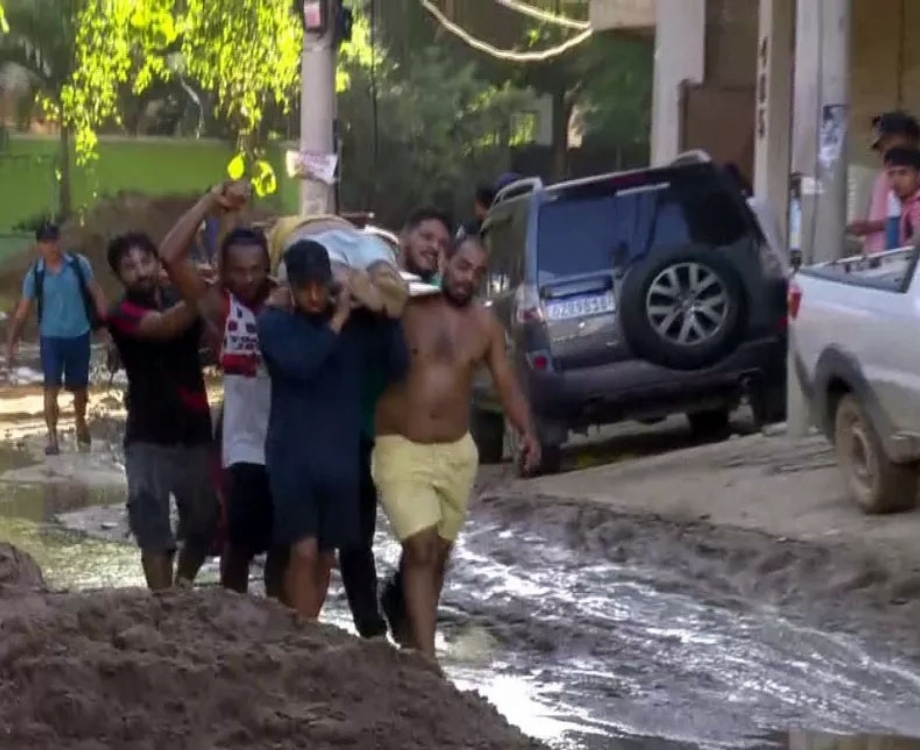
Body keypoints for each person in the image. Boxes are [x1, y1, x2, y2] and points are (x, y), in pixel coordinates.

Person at [373, 233, 540, 664]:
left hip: (456, 454)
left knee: (438, 558)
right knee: (422, 548)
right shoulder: (406, 306)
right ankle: (427, 663)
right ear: (445, 260)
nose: (469, 278)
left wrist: (528, 432)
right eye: (463, 267)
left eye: (478, 273)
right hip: (400, 447)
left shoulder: (485, 325)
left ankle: (407, 618)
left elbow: (506, 384)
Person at [257, 240, 408, 622]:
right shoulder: (274, 323)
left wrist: (381, 310)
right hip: (292, 457)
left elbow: (398, 365)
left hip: (340, 458)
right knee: (303, 550)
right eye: (303, 286)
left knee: (326, 555)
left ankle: (306, 624)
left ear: (331, 281)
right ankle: (302, 632)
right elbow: (302, 363)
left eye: (319, 285)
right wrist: (338, 319)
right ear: (288, 285)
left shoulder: (359, 327)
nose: (313, 295)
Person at [157, 181, 289, 600]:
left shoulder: (289, 301)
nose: (248, 278)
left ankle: (279, 622)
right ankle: (232, 618)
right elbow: (170, 255)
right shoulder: (220, 309)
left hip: (291, 442)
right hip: (242, 445)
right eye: (238, 270)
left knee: (285, 546)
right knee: (239, 544)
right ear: (224, 271)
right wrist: (210, 204)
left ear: (268, 265)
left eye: (256, 269)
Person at [105, 232, 218, 590]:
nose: (140, 272)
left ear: (157, 263)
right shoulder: (122, 313)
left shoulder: (177, 296)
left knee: (204, 522)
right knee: (151, 522)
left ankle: (183, 587)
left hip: (194, 431)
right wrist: (199, 294)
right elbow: (165, 326)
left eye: (145, 261)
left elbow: (209, 328)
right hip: (146, 437)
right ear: (119, 277)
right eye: (129, 267)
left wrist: (198, 291)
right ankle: (162, 603)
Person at [4, 222, 108, 455]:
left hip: (79, 335)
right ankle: (52, 437)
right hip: (51, 338)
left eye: (55, 240)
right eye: (47, 242)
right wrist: (11, 344)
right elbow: (22, 311)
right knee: (50, 388)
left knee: (79, 389)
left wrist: (107, 324)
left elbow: (96, 292)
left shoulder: (79, 265)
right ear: (40, 245)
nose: (52, 246)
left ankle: (80, 420)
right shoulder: (36, 275)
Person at [847, 111, 920, 254]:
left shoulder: (911, 181)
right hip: (877, 253)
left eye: (888, 141)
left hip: (897, 258)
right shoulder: (887, 175)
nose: (884, 149)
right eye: (881, 146)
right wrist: (868, 227)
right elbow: (894, 218)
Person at [883, 146, 920, 245]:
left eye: (903, 173)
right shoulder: (905, 203)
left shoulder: (917, 203)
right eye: (891, 174)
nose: (896, 181)